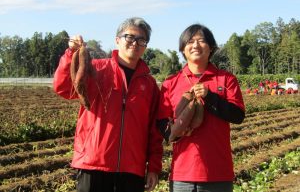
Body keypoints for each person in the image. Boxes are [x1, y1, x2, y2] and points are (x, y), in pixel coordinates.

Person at [53, 17, 163, 192]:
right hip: (93, 163)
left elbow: (154, 130)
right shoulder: (96, 69)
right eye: (130, 37)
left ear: (145, 46)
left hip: (132, 169)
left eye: (141, 40)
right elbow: (64, 88)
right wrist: (70, 54)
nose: (135, 43)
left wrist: (154, 167)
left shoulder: (149, 85)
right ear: (117, 40)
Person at [157, 23, 245, 192]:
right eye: (190, 41)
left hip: (218, 174)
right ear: (183, 49)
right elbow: (161, 121)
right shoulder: (170, 83)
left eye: (201, 41)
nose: (195, 45)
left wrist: (209, 97)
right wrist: (175, 132)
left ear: (211, 48)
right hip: (182, 175)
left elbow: (238, 116)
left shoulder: (226, 79)